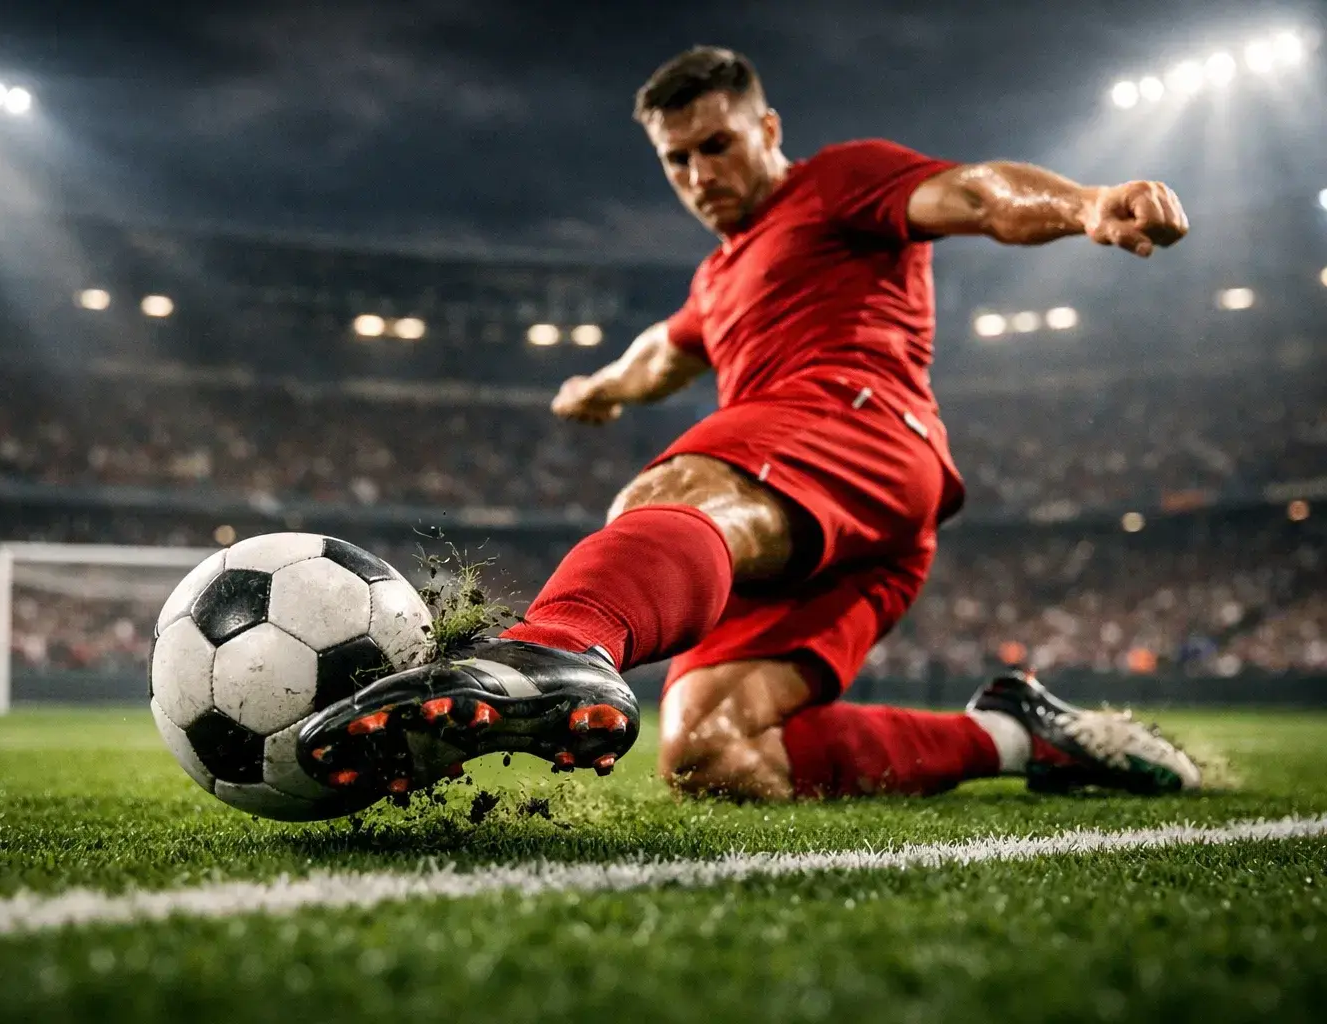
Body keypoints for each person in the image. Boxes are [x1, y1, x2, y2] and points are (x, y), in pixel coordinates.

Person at [296, 46, 1200, 801]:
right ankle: (1014, 734)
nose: (700, 174)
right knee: (708, 754)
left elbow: (973, 195)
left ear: (767, 131)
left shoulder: (839, 182)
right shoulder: (718, 280)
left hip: (866, 436)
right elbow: (662, 353)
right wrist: (600, 388)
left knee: (670, 488)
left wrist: (1083, 204)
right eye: (677, 160)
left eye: (717, 145)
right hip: (824, 525)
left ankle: (546, 651)